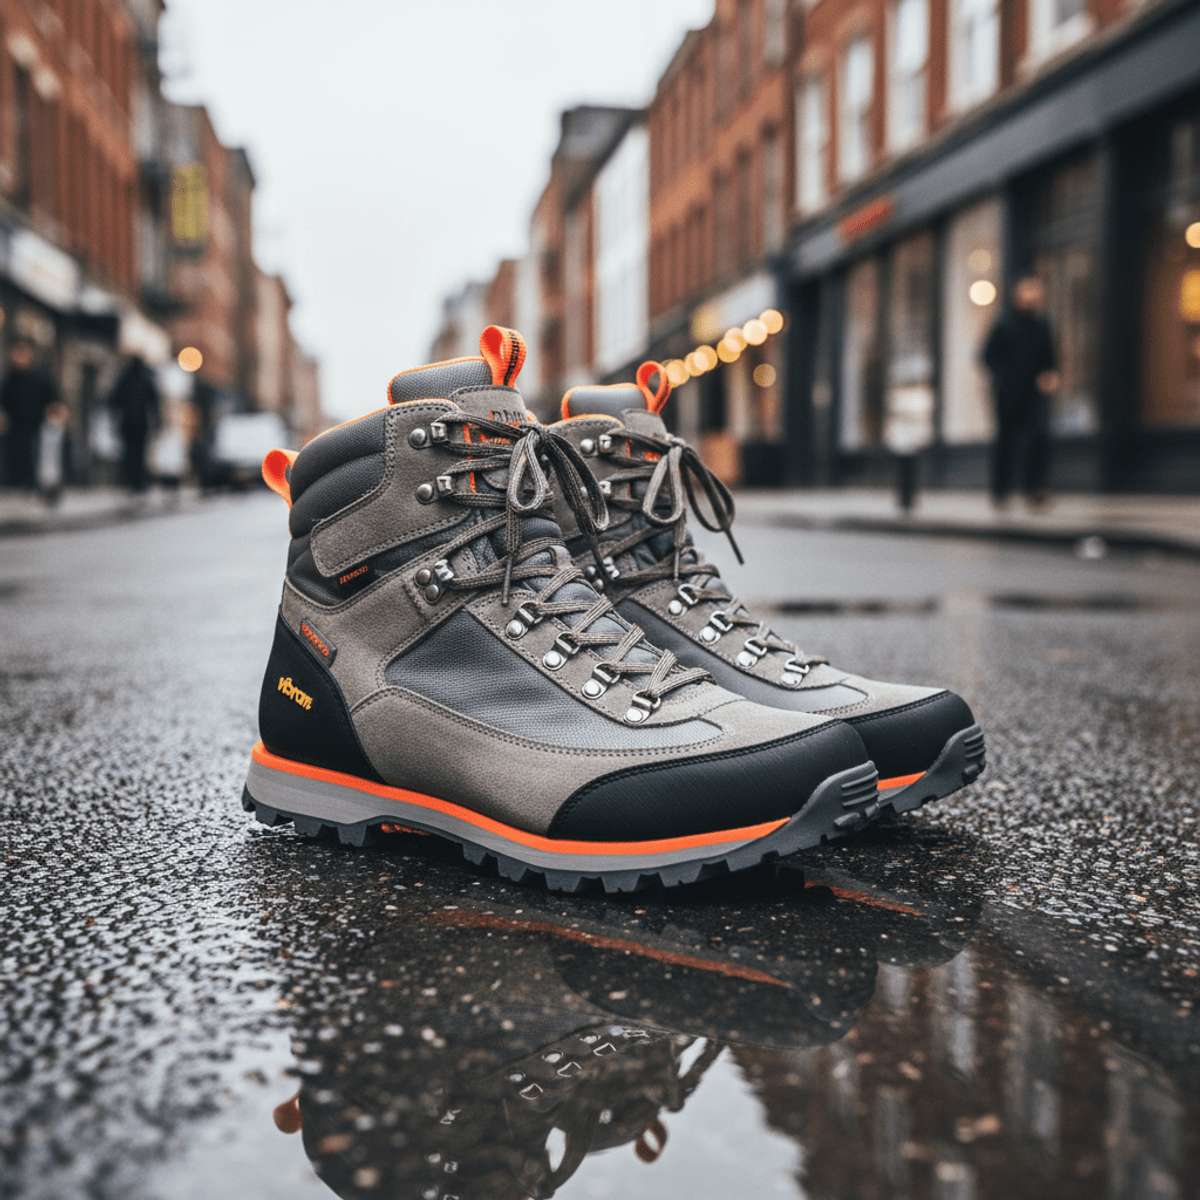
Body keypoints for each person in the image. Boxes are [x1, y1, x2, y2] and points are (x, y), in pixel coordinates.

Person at [982, 275, 1060, 509]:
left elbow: (1050, 356)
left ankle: (1034, 488)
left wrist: (1050, 374)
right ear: (1018, 293)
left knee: (1038, 437)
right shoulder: (1004, 322)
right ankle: (1001, 491)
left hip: (1034, 392)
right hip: (1008, 393)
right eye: (1028, 290)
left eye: (1036, 290)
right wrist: (1003, 377)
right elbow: (988, 355)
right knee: (1006, 441)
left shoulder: (1042, 323)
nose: (1033, 295)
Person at [1, 340, 58, 491]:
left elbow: (53, 398)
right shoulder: (10, 378)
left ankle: (33, 486)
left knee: (35, 456)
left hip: (36, 425)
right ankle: (15, 484)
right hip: (15, 426)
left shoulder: (40, 377)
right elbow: (3, 400)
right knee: (15, 455)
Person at [108, 355, 161, 493]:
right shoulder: (146, 380)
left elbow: (113, 400)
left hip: (127, 422)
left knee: (129, 452)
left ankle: (131, 480)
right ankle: (137, 481)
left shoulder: (124, 379)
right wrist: (158, 421)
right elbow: (154, 403)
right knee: (139, 452)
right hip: (140, 423)